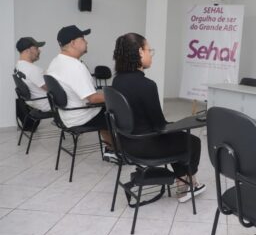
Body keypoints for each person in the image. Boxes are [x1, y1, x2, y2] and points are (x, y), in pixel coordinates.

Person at [111, 32, 205, 203]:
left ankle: (181, 179)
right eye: (149, 50)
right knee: (193, 142)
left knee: (178, 138)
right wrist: (181, 124)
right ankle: (187, 185)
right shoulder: (147, 85)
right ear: (140, 52)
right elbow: (160, 125)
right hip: (146, 146)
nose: (151, 54)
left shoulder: (117, 82)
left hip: (125, 144)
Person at [46, 25, 115, 159]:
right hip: (79, 117)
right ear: (73, 43)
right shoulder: (75, 66)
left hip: (65, 115)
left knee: (107, 106)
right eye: (83, 39)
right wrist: (118, 96)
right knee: (117, 111)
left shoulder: (55, 62)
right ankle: (116, 151)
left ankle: (110, 148)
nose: (86, 42)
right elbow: (93, 99)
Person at [15, 37, 51, 112]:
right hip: (46, 103)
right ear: (27, 50)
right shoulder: (32, 69)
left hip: (33, 102)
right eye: (36, 48)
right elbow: (51, 88)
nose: (39, 51)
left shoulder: (18, 66)